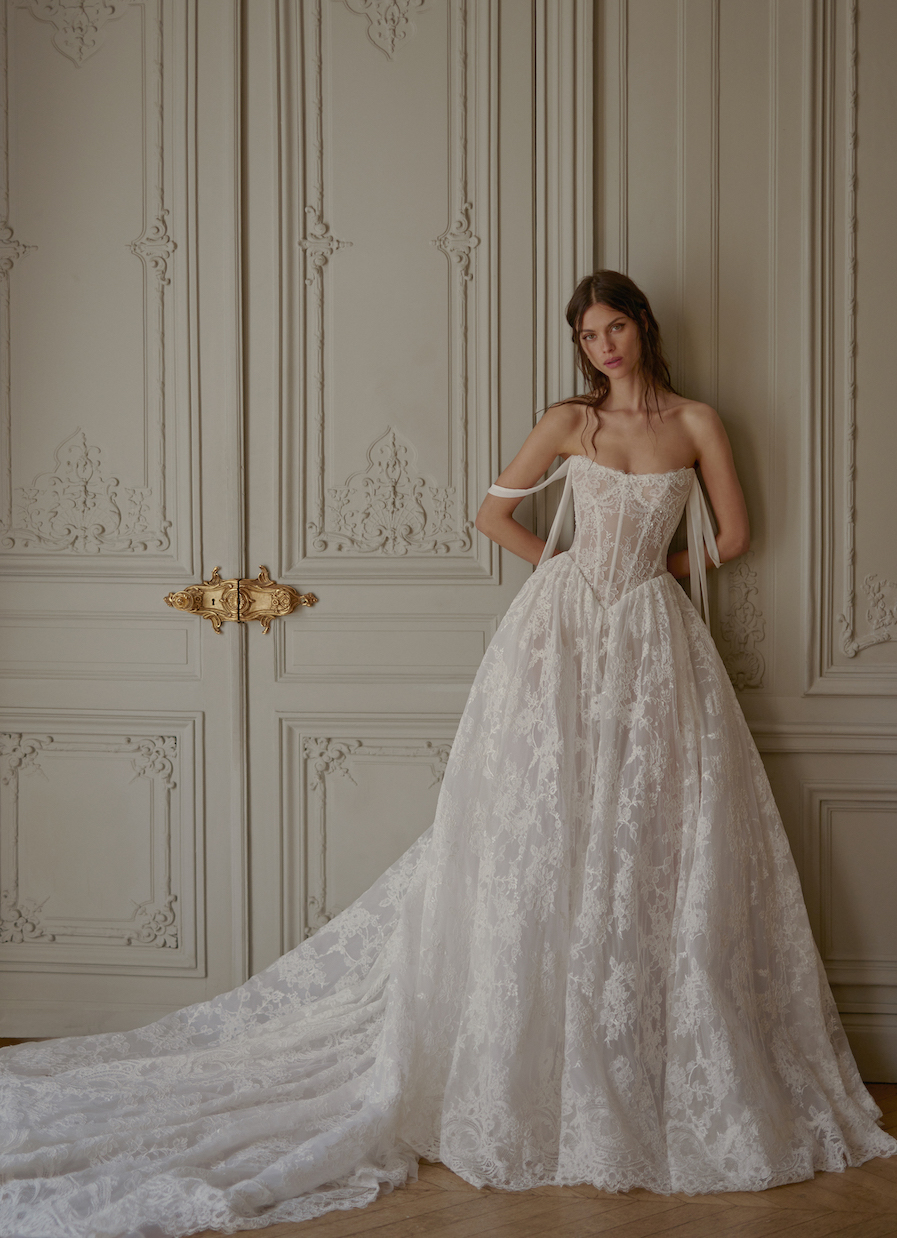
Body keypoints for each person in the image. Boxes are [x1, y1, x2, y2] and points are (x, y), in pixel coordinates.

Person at [1, 271, 894, 1238]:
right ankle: (525, 1052)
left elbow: (735, 535)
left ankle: (632, 1049)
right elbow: (490, 515)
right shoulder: (569, 424)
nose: (604, 346)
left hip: (650, 636)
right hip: (553, 634)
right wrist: (570, 573)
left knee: (650, 832)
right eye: (588, 334)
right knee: (537, 830)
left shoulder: (695, 422)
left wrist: (641, 573)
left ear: (642, 327)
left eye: (616, 328)